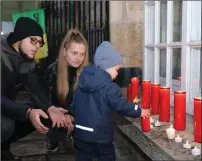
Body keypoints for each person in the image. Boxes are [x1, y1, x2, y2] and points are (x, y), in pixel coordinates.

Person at [1, 17, 70, 160]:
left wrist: (50, 108)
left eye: (40, 42)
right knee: (6, 125)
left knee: (43, 116)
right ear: (20, 37)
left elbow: (34, 88)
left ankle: (3, 147)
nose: (37, 45)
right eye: (33, 40)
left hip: (5, 105)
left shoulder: (26, 57)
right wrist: (27, 112)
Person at [71, 41, 150, 161]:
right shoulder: (109, 86)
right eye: (116, 69)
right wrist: (139, 111)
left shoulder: (82, 81)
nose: (117, 73)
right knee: (107, 156)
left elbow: (73, 104)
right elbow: (120, 105)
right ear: (108, 67)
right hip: (100, 136)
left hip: (81, 133)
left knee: (83, 157)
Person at [43, 29, 89, 152]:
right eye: (74, 53)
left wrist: (73, 116)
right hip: (57, 113)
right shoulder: (52, 71)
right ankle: (53, 139)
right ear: (64, 51)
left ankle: (76, 135)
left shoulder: (86, 72)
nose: (78, 58)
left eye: (82, 54)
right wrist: (65, 115)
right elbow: (48, 102)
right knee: (57, 132)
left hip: (75, 115)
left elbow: (86, 101)